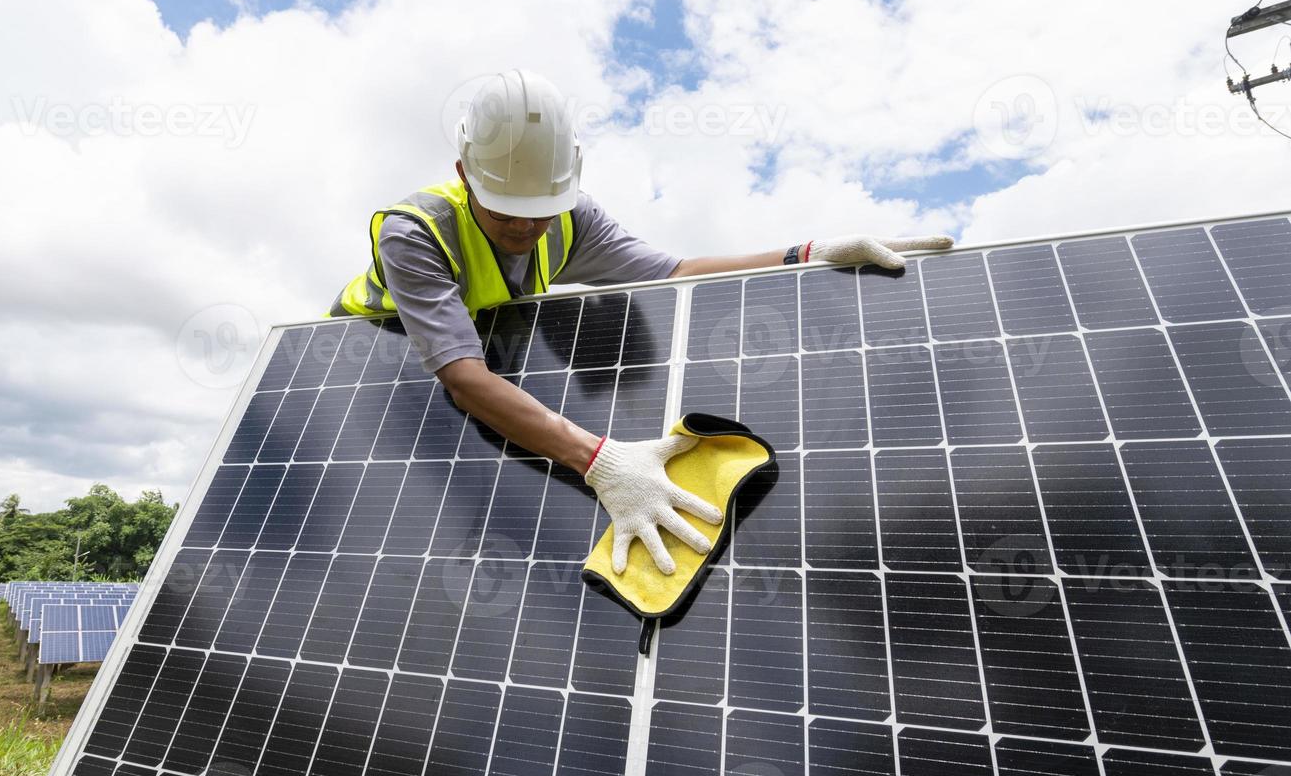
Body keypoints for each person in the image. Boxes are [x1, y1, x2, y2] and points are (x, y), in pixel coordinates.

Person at [331, 69, 952, 575]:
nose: (525, 229)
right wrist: (597, 459)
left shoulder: (573, 216)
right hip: (369, 367)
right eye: (506, 214)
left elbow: (671, 271)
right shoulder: (413, 230)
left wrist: (804, 255)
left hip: (483, 355)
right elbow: (463, 377)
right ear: (466, 176)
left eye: (540, 212)